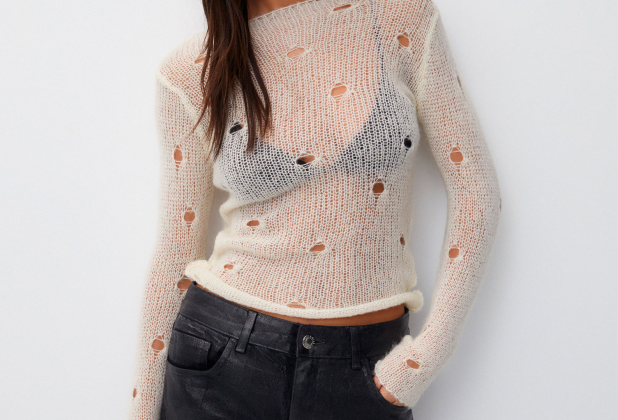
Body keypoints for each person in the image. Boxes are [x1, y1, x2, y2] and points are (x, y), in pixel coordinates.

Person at [126, 0, 502, 418]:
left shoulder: (398, 17)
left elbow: (476, 190)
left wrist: (424, 359)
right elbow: (174, 255)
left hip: (366, 369)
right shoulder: (191, 70)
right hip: (221, 360)